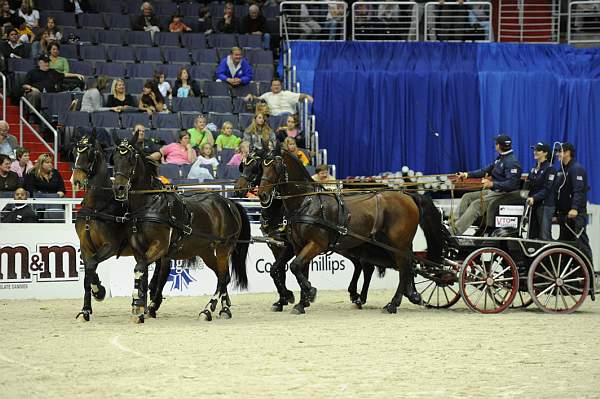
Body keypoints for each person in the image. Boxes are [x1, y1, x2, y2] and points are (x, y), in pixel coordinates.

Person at [452, 134, 522, 235]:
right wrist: (466, 174)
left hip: (504, 195)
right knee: (467, 197)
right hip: (494, 191)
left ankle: (455, 231)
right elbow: (484, 171)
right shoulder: (500, 159)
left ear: (499, 146)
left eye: (496, 143)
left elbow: (511, 184)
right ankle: (454, 224)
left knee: (476, 204)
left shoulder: (512, 162)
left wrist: (492, 184)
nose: (495, 145)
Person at [555, 142, 592, 261]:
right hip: (564, 215)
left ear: (567, 153)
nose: (557, 154)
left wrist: (575, 208)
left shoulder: (576, 169)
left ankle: (589, 275)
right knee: (565, 246)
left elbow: (579, 190)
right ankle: (571, 276)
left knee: (581, 244)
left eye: (560, 152)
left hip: (575, 215)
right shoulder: (561, 170)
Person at [526, 142, 556, 241]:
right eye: (534, 150)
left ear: (545, 153)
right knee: (532, 235)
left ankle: (550, 255)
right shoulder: (533, 169)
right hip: (534, 204)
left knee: (544, 236)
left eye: (538, 150)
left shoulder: (550, 169)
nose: (535, 152)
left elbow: (547, 189)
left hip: (545, 205)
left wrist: (534, 198)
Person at [245, 79, 313, 116]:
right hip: (275, 119)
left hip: (288, 117)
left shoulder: (287, 93)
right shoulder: (267, 95)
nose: (276, 87)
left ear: (281, 86)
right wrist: (250, 95)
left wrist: (307, 96)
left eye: (278, 85)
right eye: (274, 85)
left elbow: (300, 96)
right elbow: (257, 99)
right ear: (271, 87)